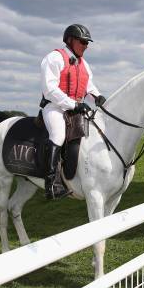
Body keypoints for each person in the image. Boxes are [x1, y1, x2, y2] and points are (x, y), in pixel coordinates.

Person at [40, 24, 105, 200]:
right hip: (54, 107)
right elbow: (49, 89)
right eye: (83, 42)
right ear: (70, 40)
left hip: (74, 108)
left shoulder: (84, 64)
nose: (86, 46)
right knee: (58, 135)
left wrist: (98, 97)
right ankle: (51, 185)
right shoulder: (54, 58)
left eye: (87, 43)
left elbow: (89, 88)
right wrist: (73, 104)